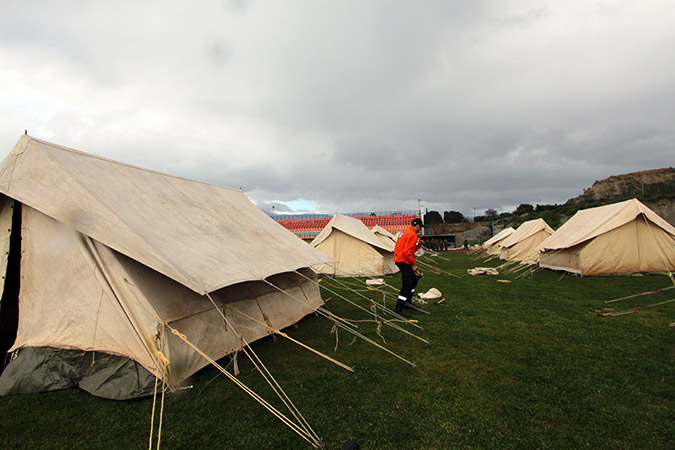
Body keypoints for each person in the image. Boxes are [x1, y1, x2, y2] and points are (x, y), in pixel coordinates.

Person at [393, 218, 424, 317]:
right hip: (403, 261)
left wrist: (418, 246)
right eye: (420, 228)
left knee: (414, 280)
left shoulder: (405, 232)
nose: (420, 230)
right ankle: (398, 309)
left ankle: (407, 302)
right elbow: (407, 253)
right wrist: (413, 264)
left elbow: (409, 249)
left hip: (400, 259)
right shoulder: (412, 234)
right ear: (418, 226)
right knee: (407, 284)